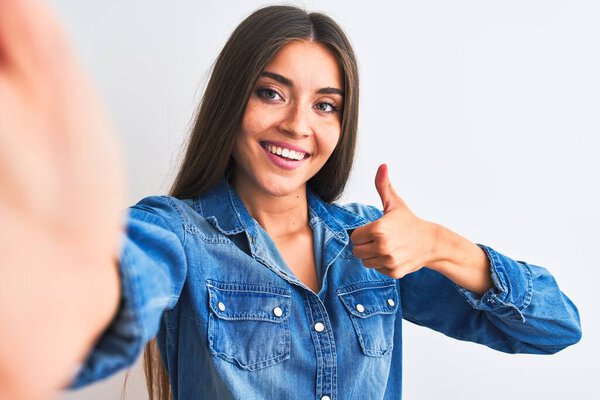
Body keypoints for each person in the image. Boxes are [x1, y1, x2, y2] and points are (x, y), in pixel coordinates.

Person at [0, 2, 582, 400]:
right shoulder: (176, 233)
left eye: (325, 104)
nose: (298, 125)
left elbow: (555, 327)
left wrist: (439, 245)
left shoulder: (373, 247)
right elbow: (100, 292)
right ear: (233, 100)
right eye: (271, 93)